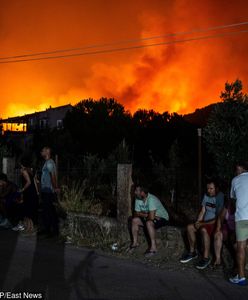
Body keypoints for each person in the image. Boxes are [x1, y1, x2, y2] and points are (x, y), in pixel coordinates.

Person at [180, 180, 224, 269]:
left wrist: (202, 223)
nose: (209, 191)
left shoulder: (220, 197)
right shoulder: (206, 196)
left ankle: (206, 257)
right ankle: (192, 253)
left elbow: (219, 217)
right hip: (204, 222)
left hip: (213, 223)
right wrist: (198, 222)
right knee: (189, 227)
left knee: (204, 230)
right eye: (208, 188)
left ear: (217, 188)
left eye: (211, 188)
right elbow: (203, 211)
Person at [129, 185, 169, 257]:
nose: (135, 192)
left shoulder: (151, 199)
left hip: (163, 218)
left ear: (143, 193)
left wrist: (145, 215)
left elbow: (150, 218)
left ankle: (153, 248)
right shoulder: (138, 198)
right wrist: (148, 215)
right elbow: (136, 214)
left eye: (137, 191)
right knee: (134, 220)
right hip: (153, 217)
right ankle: (135, 243)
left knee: (149, 223)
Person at [229, 161, 248, 286]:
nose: (237, 172)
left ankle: (241, 277)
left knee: (240, 246)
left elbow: (233, 197)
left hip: (241, 217)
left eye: (237, 170)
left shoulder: (235, 180)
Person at [39, 147, 59, 237]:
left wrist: (55, 188)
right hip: (46, 190)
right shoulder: (48, 162)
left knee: (49, 211)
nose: (41, 152)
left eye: (42, 151)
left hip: (48, 190)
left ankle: (51, 231)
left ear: (47, 152)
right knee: (48, 211)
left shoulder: (50, 163)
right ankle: (48, 230)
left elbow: (53, 176)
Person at [213, 198, 236, 267]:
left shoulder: (243, 207)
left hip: (237, 230)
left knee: (236, 243)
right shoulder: (228, 205)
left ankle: (237, 266)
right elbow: (220, 218)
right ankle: (218, 260)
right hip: (227, 228)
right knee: (217, 235)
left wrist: (234, 234)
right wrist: (218, 229)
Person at [19, 160, 39, 233]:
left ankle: (29, 228)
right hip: (32, 192)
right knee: (30, 210)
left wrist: (22, 189)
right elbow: (35, 181)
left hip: (28, 192)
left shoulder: (24, 171)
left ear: (23, 165)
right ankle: (29, 228)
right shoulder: (31, 170)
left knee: (27, 210)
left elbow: (29, 182)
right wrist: (37, 192)